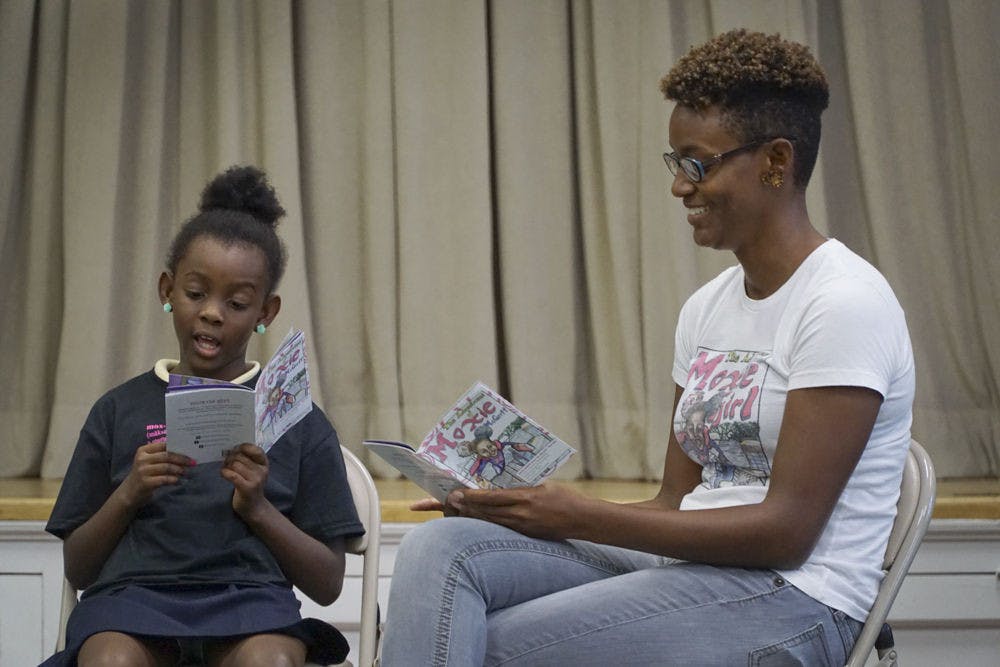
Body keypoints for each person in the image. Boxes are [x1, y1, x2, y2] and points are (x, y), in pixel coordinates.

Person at [380, 28, 914, 666]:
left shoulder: (844, 302)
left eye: (698, 163)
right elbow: (673, 503)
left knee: (490, 648)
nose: (679, 187)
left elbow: (786, 533)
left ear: (776, 160)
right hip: (692, 565)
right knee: (437, 552)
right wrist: (520, 509)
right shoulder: (707, 309)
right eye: (676, 164)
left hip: (797, 598)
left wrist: (574, 515)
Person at [43, 166, 364, 667]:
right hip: (132, 605)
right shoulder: (116, 410)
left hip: (251, 607)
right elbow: (78, 568)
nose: (213, 313)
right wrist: (130, 491)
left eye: (236, 302)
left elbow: (327, 584)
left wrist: (257, 507)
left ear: (266, 312)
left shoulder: (297, 421)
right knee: (111, 662)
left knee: (271, 663)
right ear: (167, 290)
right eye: (196, 294)